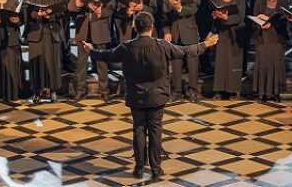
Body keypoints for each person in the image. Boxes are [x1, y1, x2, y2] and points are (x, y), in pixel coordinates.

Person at [82, 11, 218, 181]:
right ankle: (156, 168)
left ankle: (139, 168)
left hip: (136, 96)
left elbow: (106, 55)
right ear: (152, 27)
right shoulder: (162, 45)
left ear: (135, 27)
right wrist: (205, 44)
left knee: (138, 130)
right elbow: (185, 51)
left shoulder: (126, 46)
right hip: (157, 96)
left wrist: (91, 50)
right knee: (155, 131)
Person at [68, 0, 115, 102]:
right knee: (81, 63)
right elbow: (70, 6)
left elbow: (112, 8)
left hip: (100, 29)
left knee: (101, 62)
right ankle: (80, 91)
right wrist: (77, 4)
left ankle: (104, 91)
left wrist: (102, 12)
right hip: (83, 28)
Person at [162, 0, 202, 102]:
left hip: (190, 31)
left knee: (192, 62)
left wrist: (179, 8)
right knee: (176, 62)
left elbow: (193, 9)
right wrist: (166, 31)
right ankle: (177, 91)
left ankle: (193, 91)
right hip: (174, 31)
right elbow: (164, 13)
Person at [26, 0, 65, 103]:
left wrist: (51, 15)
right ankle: (36, 92)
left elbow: (61, 11)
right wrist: (38, 14)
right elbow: (28, 12)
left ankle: (52, 91)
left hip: (51, 31)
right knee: (37, 63)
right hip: (36, 32)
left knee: (52, 62)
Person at [252, 0, 289, 102]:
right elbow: (253, 20)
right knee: (263, 65)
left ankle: (275, 92)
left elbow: (285, 20)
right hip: (263, 38)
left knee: (275, 65)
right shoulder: (259, 0)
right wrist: (260, 20)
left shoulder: (284, 2)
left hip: (277, 37)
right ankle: (262, 93)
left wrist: (271, 23)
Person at [211, 0, 246, 99]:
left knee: (234, 62)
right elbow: (213, 11)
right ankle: (219, 90)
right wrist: (215, 16)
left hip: (235, 33)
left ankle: (233, 91)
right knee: (221, 62)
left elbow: (240, 17)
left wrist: (226, 18)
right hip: (221, 32)